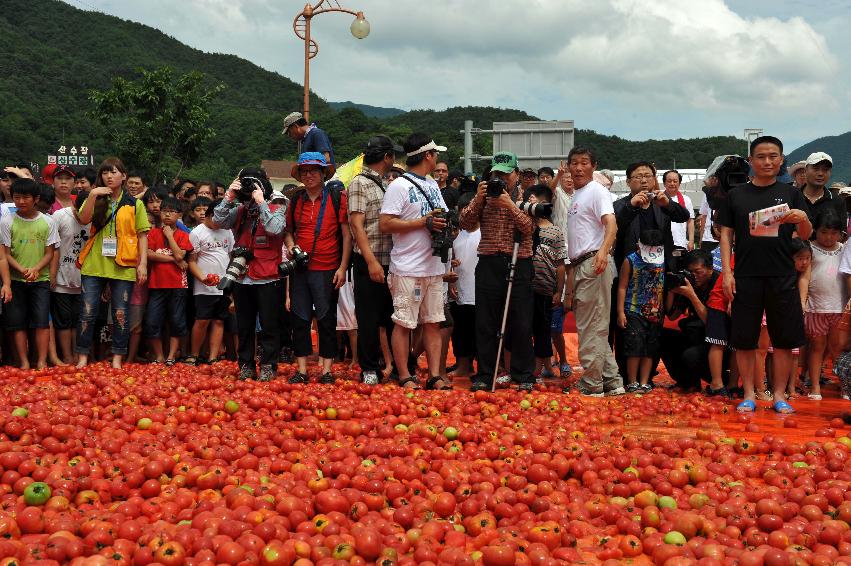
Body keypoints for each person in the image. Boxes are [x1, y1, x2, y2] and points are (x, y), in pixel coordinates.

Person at [716, 135, 812, 414]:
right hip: (745, 275)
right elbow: (726, 234)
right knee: (745, 338)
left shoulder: (792, 193)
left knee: (783, 339)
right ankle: (748, 393)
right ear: (751, 161)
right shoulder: (736, 195)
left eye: (773, 156)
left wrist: (802, 218)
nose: (767, 161)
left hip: (782, 275)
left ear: (781, 160)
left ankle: (779, 394)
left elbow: (806, 235)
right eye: (761, 156)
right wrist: (727, 273)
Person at [460, 151, 537, 392]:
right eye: (496, 174)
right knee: (485, 321)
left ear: (516, 174)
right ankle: (486, 373)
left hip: (520, 261)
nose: (500, 179)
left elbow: (529, 229)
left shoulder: (528, 197)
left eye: (505, 174)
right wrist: (478, 200)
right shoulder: (483, 196)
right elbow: (466, 224)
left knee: (521, 321)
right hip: (489, 262)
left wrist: (509, 204)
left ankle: (523, 373)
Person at [380, 133, 450, 390]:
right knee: (403, 323)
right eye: (436, 154)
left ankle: (433, 375)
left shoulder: (432, 184)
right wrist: (423, 222)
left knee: (433, 321)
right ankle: (405, 375)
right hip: (408, 267)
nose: (438, 158)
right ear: (428, 155)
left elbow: (439, 216)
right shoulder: (398, 186)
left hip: (433, 265)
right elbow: (385, 223)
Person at [75, 158, 150, 369]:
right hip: (94, 263)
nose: (109, 176)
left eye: (114, 172)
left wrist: (142, 264)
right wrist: (92, 194)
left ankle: (118, 357)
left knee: (120, 313)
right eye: (105, 172)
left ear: (123, 176)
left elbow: (142, 236)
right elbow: (83, 219)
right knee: (88, 311)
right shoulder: (97, 198)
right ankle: (82, 356)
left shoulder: (135, 203)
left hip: (123, 264)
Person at [213, 167, 286, 381]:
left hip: (268, 276)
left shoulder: (277, 206)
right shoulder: (240, 210)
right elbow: (218, 220)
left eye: (252, 183)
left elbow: (275, 229)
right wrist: (229, 196)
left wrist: (261, 201)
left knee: (270, 325)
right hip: (242, 276)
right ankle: (245, 364)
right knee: (243, 325)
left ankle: (268, 365)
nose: (249, 188)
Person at [285, 153, 351, 384]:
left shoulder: (336, 198)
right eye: (304, 171)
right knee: (300, 318)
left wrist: (342, 267)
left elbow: (346, 235)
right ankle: (302, 369)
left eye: (314, 170)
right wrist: (292, 248)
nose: (309, 175)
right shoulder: (295, 200)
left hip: (328, 267)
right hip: (300, 269)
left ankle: (326, 370)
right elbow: (288, 232)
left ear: (324, 173)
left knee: (326, 319)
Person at [563, 147, 624, 397]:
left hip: (593, 262)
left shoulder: (597, 191)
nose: (578, 168)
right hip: (582, 264)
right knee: (594, 323)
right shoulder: (578, 195)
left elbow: (611, 223)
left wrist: (602, 252)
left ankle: (591, 383)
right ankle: (611, 380)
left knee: (591, 326)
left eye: (584, 163)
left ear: (593, 166)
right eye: (574, 163)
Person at [348, 136, 402, 385]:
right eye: (394, 156)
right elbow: (356, 226)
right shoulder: (359, 182)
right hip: (368, 261)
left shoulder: (386, 183)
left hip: (392, 261)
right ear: (387, 157)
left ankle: (396, 366)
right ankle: (369, 368)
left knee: (392, 317)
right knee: (368, 318)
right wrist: (371, 262)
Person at [0, 178, 59, 369]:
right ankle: (24, 362)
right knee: (17, 323)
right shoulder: (7, 221)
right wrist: (21, 272)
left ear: (36, 198)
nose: (21, 202)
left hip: (40, 279)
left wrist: (36, 269)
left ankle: (41, 361)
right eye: (17, 197)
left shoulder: (47, 222)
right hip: (16, 279)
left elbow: (50, 252)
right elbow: (5, 255)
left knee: (41, 322)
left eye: (26, 197)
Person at [660, 249, 718, 391]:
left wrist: (691, 295)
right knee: (662, 336)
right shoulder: (690, 282)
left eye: (698, 272)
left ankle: (722, 379)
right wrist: (672, 291)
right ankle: (687, 382)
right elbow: (672, 316)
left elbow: (713, 324)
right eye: (690, 272)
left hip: (717, 342)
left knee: (690, 356)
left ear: (710, 268)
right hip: (696, 335)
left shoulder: (718, 283)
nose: (694, 276)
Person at [143, 197, 192, 364]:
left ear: (179, 215)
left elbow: (180, 254)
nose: (167, 214)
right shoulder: (152, 233)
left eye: (171, 211)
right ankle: (159, 356)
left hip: (178, 285)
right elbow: (149, 254)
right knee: (151, 321)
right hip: (156, 285)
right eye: (164, 211)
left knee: (177, 321)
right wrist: (174, 260)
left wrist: (170, 236)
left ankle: (171, 356)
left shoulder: (184, 235)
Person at [803, 210, 846, 400]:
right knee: (817, 346)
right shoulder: (810, 249)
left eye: (834, 233)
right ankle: (814, 386)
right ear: (815, 231)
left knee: (837, 348)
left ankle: (845, 387)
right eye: (824, 232)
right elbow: (804, 277)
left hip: (839, 307)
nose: (829, 237)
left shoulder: (844, 249)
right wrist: (803, 301)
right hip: (815, 307)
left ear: (841, 233)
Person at [186, 198, 234, 365]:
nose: (221, 222)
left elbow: (230, 256)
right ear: (210, 215)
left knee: (219, 320)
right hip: (203, 285)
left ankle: (213, 357)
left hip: (224, 285)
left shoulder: (227, 231)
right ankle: (194, 354)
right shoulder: (197, 232)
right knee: (202, 320)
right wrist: (202, 278)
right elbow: (191, 261)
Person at [617, 229, 665, 393]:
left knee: (650, 349)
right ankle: (632, 381)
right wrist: (620, 311)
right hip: (633, 310)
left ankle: (645, 381)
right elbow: (622, 286)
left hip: (655, 312)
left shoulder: (662, 260)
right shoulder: (630, 260)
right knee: (635, 346)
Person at [527, 185, 567, 380]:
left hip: (546, 287)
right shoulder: (524, 227)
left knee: (544, 329)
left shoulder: (555, 232)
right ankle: (528, 364)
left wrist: (559, 291)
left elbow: (560, 264)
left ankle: (544, 366)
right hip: (525, 287)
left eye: (542, 204)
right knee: (526, 327)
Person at [49, 176, 90, 365]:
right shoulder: (60, 216)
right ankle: (67, 355)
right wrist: (52, 275)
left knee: (80, 319)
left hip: (87, 280)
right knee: (64, 320)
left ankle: (78, 354)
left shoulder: (96, 218)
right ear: (75, 207)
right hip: (62, 279)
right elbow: (51, 248)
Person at [449, 191, 480, 378]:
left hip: (479, 292)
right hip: (460, 291)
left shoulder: (485, 233)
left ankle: (483, 365)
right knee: (461, 331)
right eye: (461, 212)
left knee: (480, 332)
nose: (464, 216)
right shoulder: (457, 236)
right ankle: (463, 365)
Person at [282, 112, 335, 177]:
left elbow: (326, 159)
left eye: (289, 131)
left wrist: (322, 179)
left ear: (295, 126)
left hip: (325, 178)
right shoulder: (306, 139)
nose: (289, 135)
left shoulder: (316, 133)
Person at [800, 152, 844, 223]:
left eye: (825, 170)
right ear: (805, 171)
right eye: (816, 169)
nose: (820, 173)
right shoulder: (792, 197)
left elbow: (840, 232)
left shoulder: (838, 202)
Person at [663, 170, 695, 252]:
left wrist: (691, 241)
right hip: (662, 242)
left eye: (675, 181)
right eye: (669, 181)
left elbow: (690, 221)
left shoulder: (686, 199)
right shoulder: (659, 199)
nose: (672, 183)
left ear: (679, 183)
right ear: (664, 183)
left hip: (680, 242)